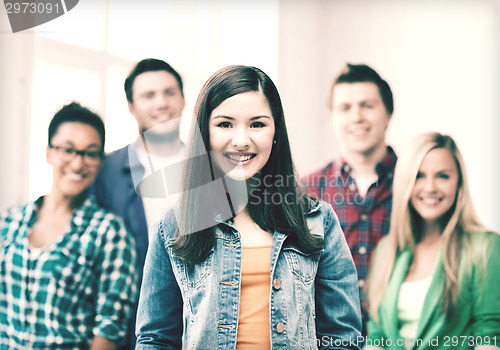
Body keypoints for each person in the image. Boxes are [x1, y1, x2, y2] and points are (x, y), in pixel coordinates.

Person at [136, 65, 362, 349]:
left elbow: (342, 338)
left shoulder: (318, 221)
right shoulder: (173, 225)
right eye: (225, 124)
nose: (241, 140)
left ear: (275, 130)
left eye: (257, 124)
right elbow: (156, 339)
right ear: (204, 133)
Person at [0, 102, 137, 349]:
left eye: (90, 153)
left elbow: (109, 329)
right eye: (68, 150)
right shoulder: (8, 222)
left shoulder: (110, 234)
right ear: (49, 152)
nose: (77, 164)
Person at [365, 132, 500, 350]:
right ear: (405, 182)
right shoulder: (386, 250)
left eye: (443, 176)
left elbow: (489, 336)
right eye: (419, 175)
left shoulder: (486, 247)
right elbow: (376, 337)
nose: (430, 187)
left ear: (459, 183)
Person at [92, 58, 186, 349]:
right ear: (131, 106)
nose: (161, 103)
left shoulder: (211, 165)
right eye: (149, 95)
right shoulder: (106, 170)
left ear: (183, 99)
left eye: (169, 92)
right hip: (132, 330)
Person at [302, 63, 397, 333]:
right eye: (345, 108)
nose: (357, 117)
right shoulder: (306, 191)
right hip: (327, 335)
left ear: (388, 113)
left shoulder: (419, 186)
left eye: (367, 105)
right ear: (332, 117)